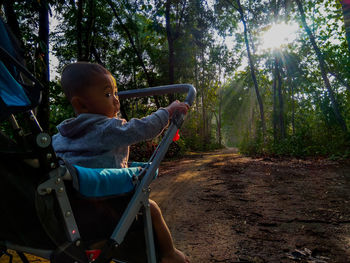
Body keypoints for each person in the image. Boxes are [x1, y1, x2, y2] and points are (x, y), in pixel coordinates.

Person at [52, 62, 190, 263]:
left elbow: (96, 160)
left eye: (115, 93)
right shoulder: (105, 128)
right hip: (104, 205)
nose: (116, 100)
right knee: (150, 208)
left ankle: (99, 246)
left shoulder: (58, 138)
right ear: (81, 104)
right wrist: (166, 112)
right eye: (108, 95)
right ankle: (170, 254)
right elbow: (139, 129)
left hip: (69, 212)